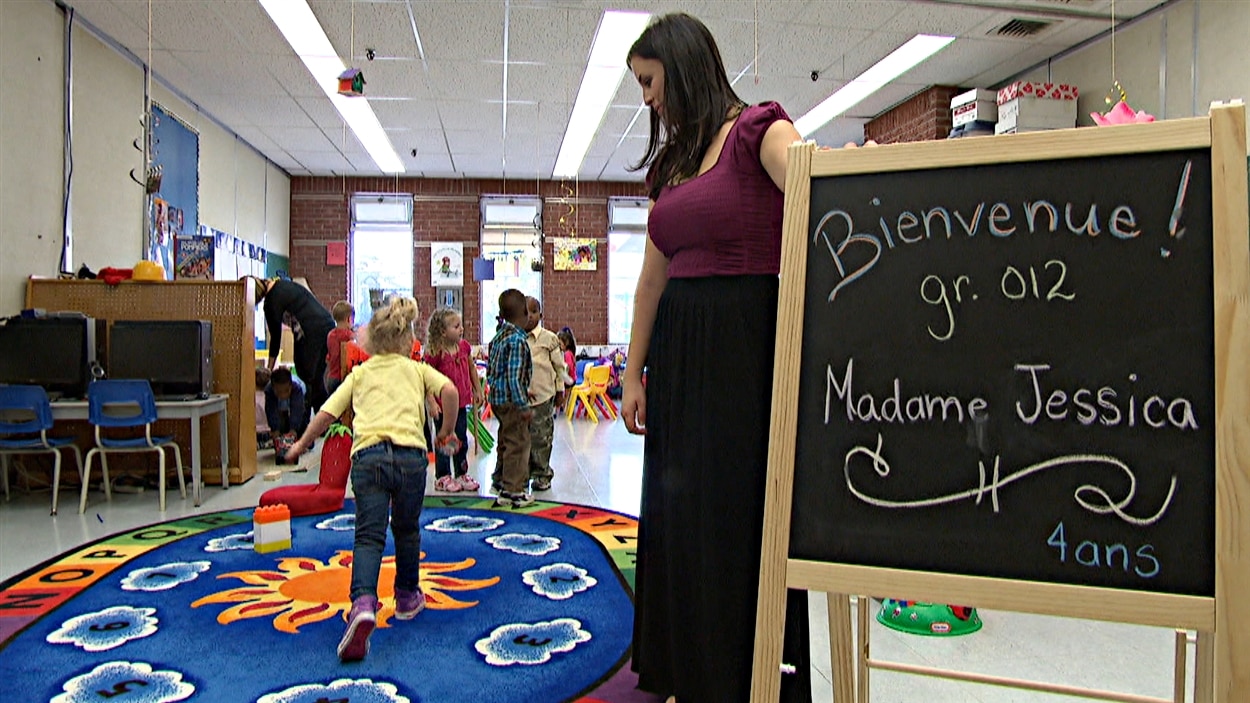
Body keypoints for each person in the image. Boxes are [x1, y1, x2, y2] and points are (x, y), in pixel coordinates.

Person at [621, 13, 814, 703]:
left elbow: (819, 186)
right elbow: (652, 279)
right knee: (679, 514)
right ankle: (686, 670)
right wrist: (631, 371)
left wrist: (862, 165)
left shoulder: (760, 130)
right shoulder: (673, 164)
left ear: (681, 64)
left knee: (737, 515)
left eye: (648, 80)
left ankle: (744, 676)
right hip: (679, 357)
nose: (645, 98)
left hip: (745, 351)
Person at [285, 297, 459, 662]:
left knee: (368, 535)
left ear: (371, 342)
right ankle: (408, 597)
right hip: (411, 458)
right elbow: (451, 393)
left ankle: (363, 603)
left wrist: (302, 443)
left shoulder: (360, 373)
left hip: (368, 458)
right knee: (407, 530)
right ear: (408, 339)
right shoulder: (416, 369)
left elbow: (329, 412)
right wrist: (444, 432)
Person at [249, 276, 336, 413]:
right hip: (324, 325)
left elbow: (275, 339)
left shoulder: (272, 302)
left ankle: (319, 423)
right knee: (308, 373)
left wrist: (269, 370)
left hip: (314, 332)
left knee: (312, 378)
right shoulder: (283, 285)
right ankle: (315, 419)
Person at [425, 307, 484, 493]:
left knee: (461, 439)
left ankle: (461, 472)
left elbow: (471, 368)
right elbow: (426, 378)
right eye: (456, 326)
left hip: (461, 403)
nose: (461, 329)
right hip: (442, 406)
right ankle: (442, 475)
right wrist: (432, 402)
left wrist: (478, 389)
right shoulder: (435, 353)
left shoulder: (464, 347)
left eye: (461, 326)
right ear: (443, 331)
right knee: (445, 439)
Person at [486, 289, 534, 508]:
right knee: (519, 443)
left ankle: (500, 481)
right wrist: (523, 404)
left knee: (505, 440)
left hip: (497, 399)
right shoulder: (517, 340)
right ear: (524, 314)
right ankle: (513, 490)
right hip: (512, 401)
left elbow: (496, 371)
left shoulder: (498, 337)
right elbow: (514, 378)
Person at [521, 297, 566, 491]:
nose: (528, 316)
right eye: (524, 312)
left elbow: (559, 367)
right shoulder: (516, 337)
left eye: (533, 312)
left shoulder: (549, 339)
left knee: (542, 436)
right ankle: (522, 475)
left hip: (543, 397)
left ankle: (542, 474)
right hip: (520, 398)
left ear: (541, 315)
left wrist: (560, 389)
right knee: (521, 438)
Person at [265, 367, 308, 465]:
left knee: (302, 427)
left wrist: (294, 430)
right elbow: (271, 411)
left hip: (300, 404)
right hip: (280, 409)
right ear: (273, 387)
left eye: (286, 391)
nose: (283, 395)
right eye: (279, 392)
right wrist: (275, 429)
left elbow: (298, 411)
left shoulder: (297, 388)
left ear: (291, 386)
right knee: (280, 427)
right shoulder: (269, 390)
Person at [325, 300, 356, 395]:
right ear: (349, 319)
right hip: (341, 378)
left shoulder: (330, 335)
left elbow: (328, 357)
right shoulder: (348, 335)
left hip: (331, 378)